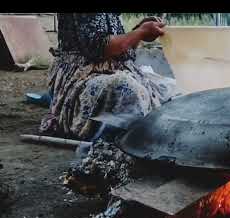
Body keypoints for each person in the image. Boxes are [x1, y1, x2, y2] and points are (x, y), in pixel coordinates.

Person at [40, 13, 178, 141]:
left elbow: (122, 48)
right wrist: (140, 32)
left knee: (174, 89)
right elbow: (99, 48)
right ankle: (124, 135)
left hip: (116, 70)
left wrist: (138, 32)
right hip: (84, 74)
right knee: (128, 89)